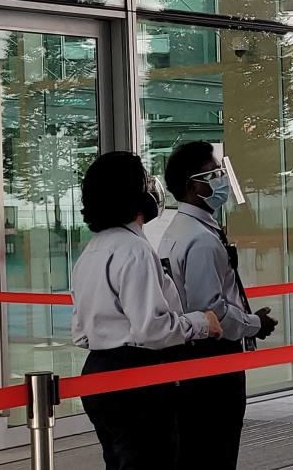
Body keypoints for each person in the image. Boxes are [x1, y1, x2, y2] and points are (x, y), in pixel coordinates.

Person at [70, 151, 223, 470]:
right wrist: (201, 323)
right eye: (144, 180)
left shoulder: (92, 250)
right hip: (137, 377)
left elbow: (82, 333)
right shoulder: (136, 251)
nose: (152, 188)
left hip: (97, 371)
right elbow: (152, 329)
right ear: (131, 193)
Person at [158, 141, 279, 469]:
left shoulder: (177, 230)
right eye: (215, 174)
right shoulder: (200, 240)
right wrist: (255, 324)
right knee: (217, 446)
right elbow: (211, 311)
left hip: (187, 356)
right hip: (212, 358)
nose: (222, 179)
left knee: (194, 448)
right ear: (194, 185)